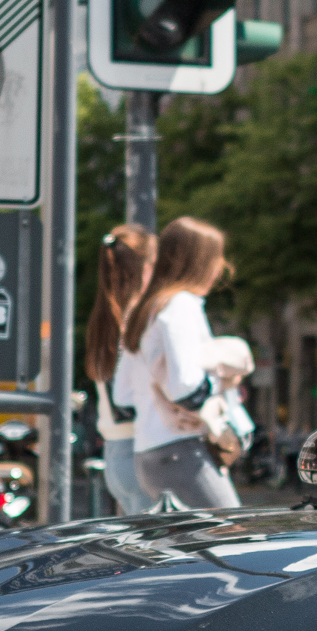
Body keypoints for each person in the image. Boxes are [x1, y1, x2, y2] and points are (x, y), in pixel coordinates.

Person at [122, 217, 242, 510]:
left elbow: (122, 396)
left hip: (148, 453)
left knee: (183, 553)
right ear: (197, 262)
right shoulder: (181, 306)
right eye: (215, 258)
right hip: (181, 451)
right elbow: (186, 388)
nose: (221, 267)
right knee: (232, 538)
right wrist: (222, 382)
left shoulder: (148, 309)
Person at [84, 225, 157, 516]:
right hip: (142, 449)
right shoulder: (141, 317)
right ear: (146, 267)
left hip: (115, 452)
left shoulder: (104, 316)